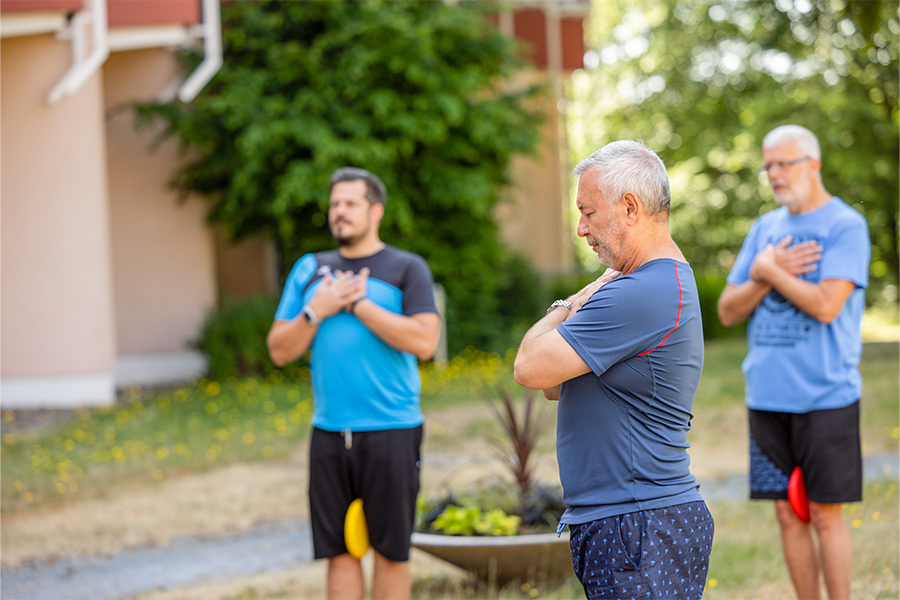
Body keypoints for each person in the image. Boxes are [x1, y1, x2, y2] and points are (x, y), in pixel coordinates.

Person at [514, 140, 714, 600]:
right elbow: (552, 385)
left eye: (588, 212)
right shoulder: (648, 285)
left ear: (629, 207)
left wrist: (571, 301)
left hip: (637, 524)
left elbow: (529, 367)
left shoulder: (641, 291)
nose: (581, 229)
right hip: (630, 523)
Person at [267, 167, 441, 600]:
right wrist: (317, 309)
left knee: (390, 553)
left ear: (375, 211)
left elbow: (425, 341)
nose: (339, 212)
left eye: (350, 203)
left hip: (392, 431)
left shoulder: (406, 267)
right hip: (328, 433)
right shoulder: (311, 269)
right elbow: (279, 350)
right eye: (334, 204)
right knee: (340, 553)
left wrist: (359, 304)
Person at [717, 125, 869, 600]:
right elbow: (727, 310)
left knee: (825, 512)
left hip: (826, 396)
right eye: (768, 166)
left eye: (783, 163)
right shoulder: (765, 229)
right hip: (766, 395)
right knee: (786, 512)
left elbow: (826, 305)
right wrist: (766, 274)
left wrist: (768, 272)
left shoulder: (845, 226)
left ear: (813, 163)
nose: (774, 174)